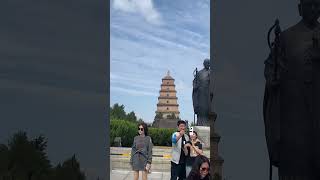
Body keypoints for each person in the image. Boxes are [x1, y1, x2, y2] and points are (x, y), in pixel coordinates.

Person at [263, 0, 320, 179]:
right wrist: (273, 78)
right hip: (294, 117)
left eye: (317, 5)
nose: (313, 9)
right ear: (299, 8)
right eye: (309, 4)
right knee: (295, 166)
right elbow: (271, 66)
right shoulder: (286, 38)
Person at [192, 59, 211, 126]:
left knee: (208, 108)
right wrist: (196, 86)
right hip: (201, 93)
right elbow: (195, 82)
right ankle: (200, 123)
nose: (207, 64)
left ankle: (208, 123)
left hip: (209, 93)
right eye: (206, 63)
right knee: (201, 108)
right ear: (204, 64)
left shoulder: (211, 72)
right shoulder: (199, 73)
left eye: (208, 63)